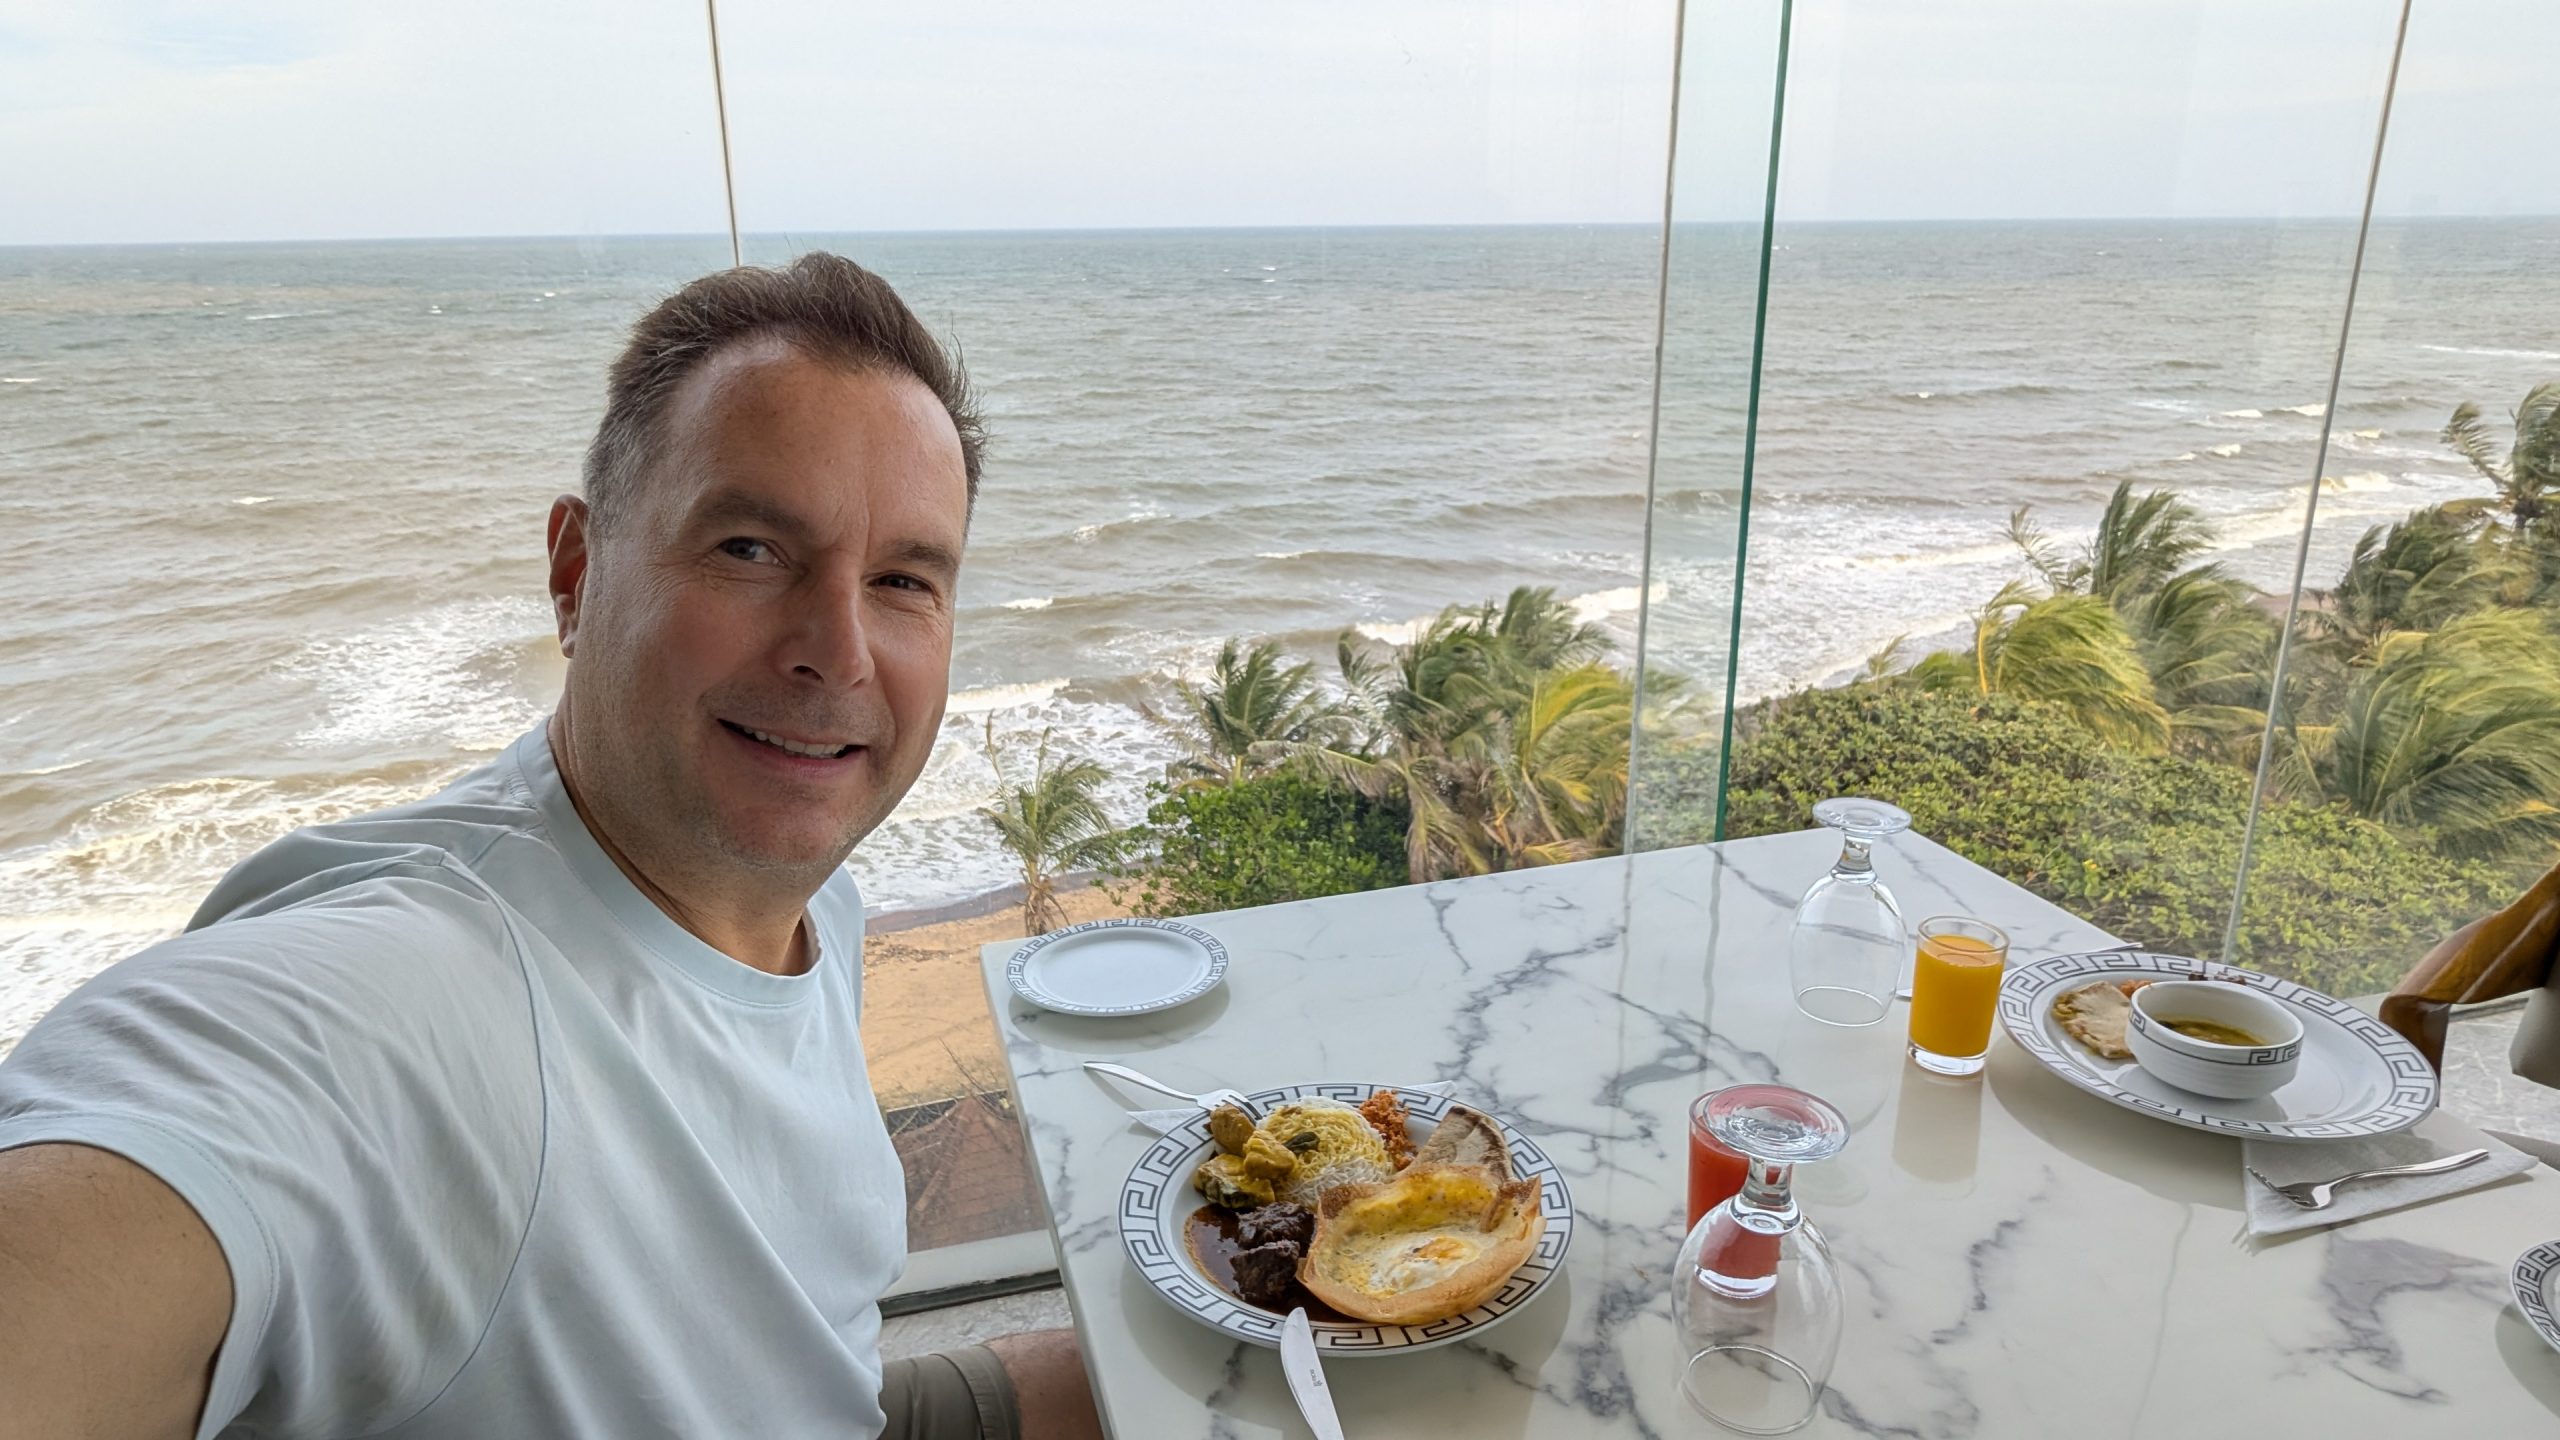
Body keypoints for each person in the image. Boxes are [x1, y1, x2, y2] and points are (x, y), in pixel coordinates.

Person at [0, 253, 1104, 1440]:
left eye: (901, 579)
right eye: (749, 549)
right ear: (577, 576)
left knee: (1203, 1374)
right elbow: (167, 1149)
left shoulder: (807, 904)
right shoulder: (412, 1000)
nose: (836, 651)